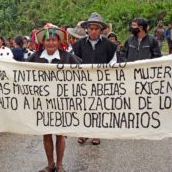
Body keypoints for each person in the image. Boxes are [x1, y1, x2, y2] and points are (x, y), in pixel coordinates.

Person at [27, 23, 81, 172]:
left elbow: (83, 72)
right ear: (43, 42)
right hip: (43, 102)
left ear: (59, 42)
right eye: (47, 40)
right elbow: (22, 73)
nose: (51, 42)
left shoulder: (67, 57)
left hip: (62, 102)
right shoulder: (35, 57)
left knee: (60, 134)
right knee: (46, 133)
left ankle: (60, 164)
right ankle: (50, 164)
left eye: (54, 40)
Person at [73, 12, 117, 145]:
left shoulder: (109, 45)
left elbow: (112, 62)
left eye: (96, 29)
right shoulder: (79, 45)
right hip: (84, 81)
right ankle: (84, 133)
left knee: (98, 106)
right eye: (91, 28)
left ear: (101, 30)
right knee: (84, 107)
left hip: (101, 81)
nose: (93, 31)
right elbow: (76, 61)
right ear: (87, 29)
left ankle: (96, 134)